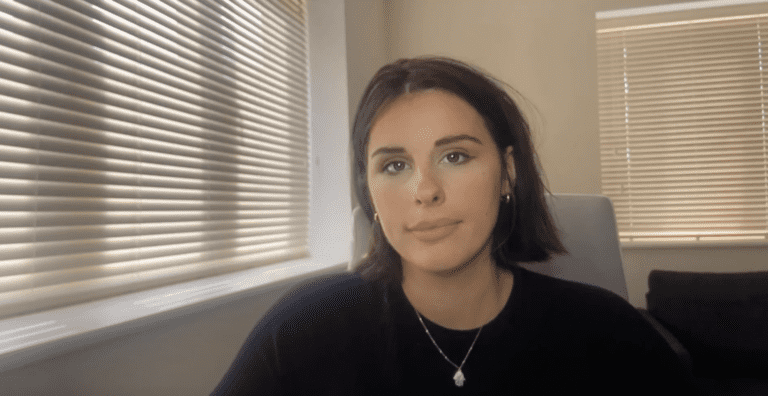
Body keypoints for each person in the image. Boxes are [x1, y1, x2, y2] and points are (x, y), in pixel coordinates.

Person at [210, 56, 697, 395]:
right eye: (394, 166)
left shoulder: (610, 333)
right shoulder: (301, 331)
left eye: (456, 156)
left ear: (507, 172)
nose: (425, 190)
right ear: (369, 192)